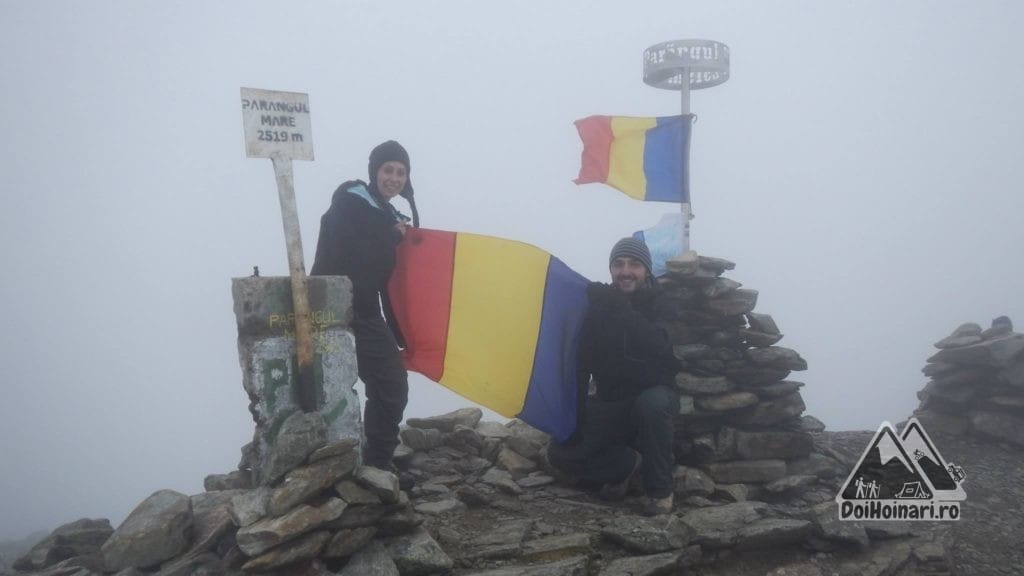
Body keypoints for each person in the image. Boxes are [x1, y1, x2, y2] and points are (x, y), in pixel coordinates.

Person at [547, 237, 681, 516]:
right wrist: (577, 414)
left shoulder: (662, 303)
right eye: (618, 264)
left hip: (654, 395)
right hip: (610, 402)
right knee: (558, 452)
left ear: (646, 270)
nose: (626, 271)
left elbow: (658, 345)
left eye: (634, 264)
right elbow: (581, 364)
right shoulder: (598, 307)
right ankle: (626, 465)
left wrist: (620, 308)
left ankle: (659, 491)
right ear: (610, 269)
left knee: (652, 406)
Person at [310, 140, 419, 471]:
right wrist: (391, 236)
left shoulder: (386, 213)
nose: (394, 178)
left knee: (389, 385)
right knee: (374, 386)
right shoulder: (350, 202)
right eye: (388, 170)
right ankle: (361, 465)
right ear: (375, 171)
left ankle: (376, 463)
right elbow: (350, 251)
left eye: (401, 172)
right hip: (337, 308)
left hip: (365, 309)